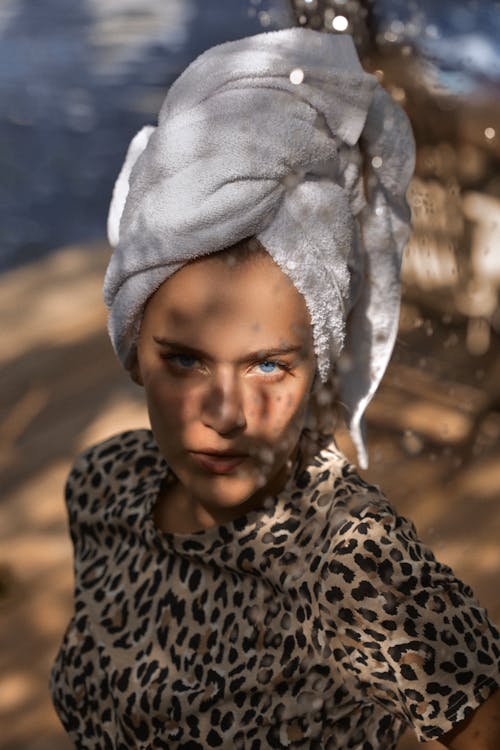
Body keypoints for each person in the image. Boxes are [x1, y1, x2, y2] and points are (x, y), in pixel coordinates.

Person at [50, 28, 500, 750]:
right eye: (186, 361)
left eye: (268, 365)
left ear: (317, 362)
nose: (226, 416)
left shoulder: (349, 554)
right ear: (134, 348)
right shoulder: (103, 488)